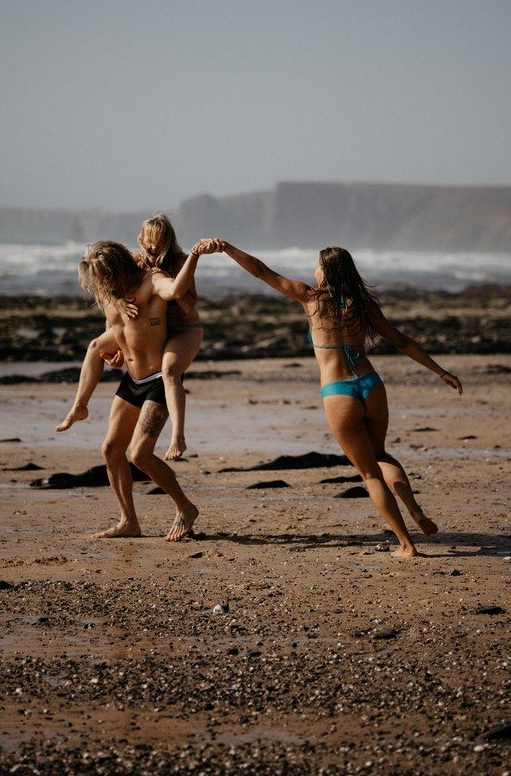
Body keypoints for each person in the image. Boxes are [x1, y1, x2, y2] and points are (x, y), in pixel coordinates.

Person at [209, 240, 463, 559]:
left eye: (317, 266)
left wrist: (227, 248)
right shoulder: (363, 305)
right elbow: (401, 341)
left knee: (369, 475)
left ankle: (406, 544)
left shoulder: (311, 298)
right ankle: (415, 511)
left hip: (339, 392)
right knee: (381, 454)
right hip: (371, 384)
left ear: (326, 271)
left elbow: (261, 271)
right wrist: (441, 372)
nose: (314, 270)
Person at [76, 238, 215, 540]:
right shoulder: (111, 293)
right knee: (111, 449)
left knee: (139, 455)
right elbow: (119, 331)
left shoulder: (152, 280)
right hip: (131, 380)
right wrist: (116, 353)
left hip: (157, 381)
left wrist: (194, 255)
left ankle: (185, 507)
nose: (99, 283)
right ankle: (129, 522)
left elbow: (174, 291)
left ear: (115, 269)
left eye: (102, 275)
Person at [56, 214, 204, 461]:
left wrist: (193, 258)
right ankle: (79, 407)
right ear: (140, 240)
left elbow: (187, 304)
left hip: (182, 328)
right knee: (95, 346)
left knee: (169, 370)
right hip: (152, 327)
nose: (154, 247)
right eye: (149, 241)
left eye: (160, 241)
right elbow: (110, 284)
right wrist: (118, 303)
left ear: (169, 241)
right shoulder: (136, 260)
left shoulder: (179, 261)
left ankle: (178, 435)